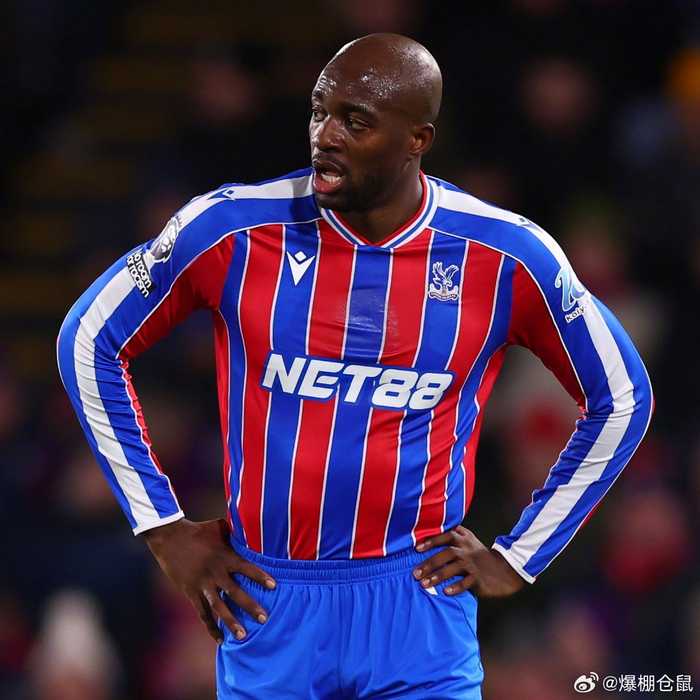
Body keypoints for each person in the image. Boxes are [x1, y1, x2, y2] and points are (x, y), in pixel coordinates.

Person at [56, 33, 653, 699]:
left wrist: (519, 557)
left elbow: (623, 397)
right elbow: (88, 338)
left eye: (356, 121)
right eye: (319, 112)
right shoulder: (231, 229)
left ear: (417, 139)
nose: (326, 136)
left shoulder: (505, 255)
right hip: (269, 600)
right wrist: (162, 527)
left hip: (418, 601)